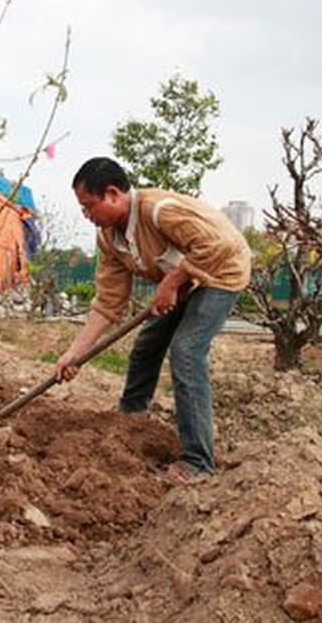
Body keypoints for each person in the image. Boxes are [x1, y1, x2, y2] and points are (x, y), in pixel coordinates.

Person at [55, 157, 252, 483]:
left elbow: (222, 245)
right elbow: (107, 303)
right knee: (147, 344)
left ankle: (198, 463)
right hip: (187, 282)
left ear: (113, 194)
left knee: (186, 351)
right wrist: (75, 353)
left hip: (221, 273)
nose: (86, 216)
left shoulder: (159, 210)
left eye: (89, 207)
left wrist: (172, 282)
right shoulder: (109, 239)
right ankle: (131, 421)